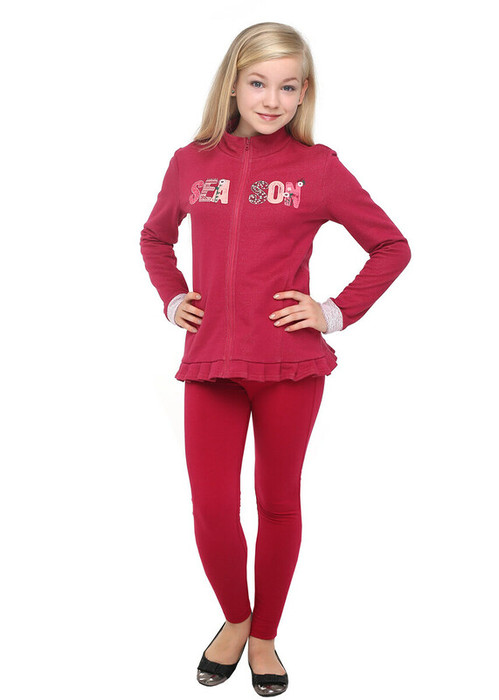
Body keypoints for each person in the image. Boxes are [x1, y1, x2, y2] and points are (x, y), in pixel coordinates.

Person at [140, 21, 411, 697]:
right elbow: (154, 239)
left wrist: (334, 311)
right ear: (233, 84)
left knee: (278, 503)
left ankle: (265, 635)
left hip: (290, 367)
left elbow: (391, 246)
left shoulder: (318, 169)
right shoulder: (190, 163)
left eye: (288, 87)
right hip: (210, 364)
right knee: (211, 508)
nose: (271, 99)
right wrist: (173, 299)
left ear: (304, 93)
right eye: (258, 82)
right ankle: (235, 618)